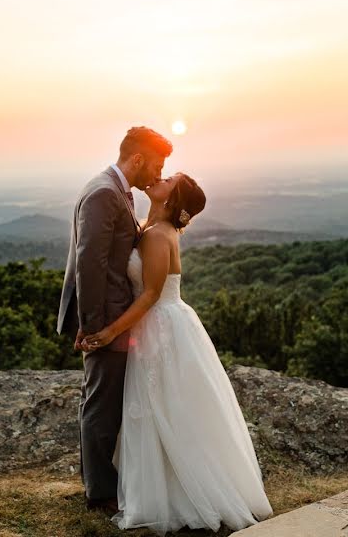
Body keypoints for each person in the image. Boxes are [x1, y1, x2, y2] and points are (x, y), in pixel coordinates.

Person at [81, 173, 273, 534]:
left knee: (165, 406)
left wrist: (108, 331)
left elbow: (150, 294)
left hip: (160, 326)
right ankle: (161, 484)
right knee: (163, 407)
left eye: (169, 179)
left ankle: (179, 491)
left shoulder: (156, 234)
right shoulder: (149, 226)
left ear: (173, 199)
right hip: (159, 324)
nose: (160, 177)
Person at [57, 126, 173, 514]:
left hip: (112, 315)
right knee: (102, 404)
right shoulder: (105, 193)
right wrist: (93, 327)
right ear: (137, 159)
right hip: (106, 317)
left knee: (104, 398)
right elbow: (89, 263)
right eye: (156, 165)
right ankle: (101, 494)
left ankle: (100, 480)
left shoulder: (114, 189)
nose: (158, 174)